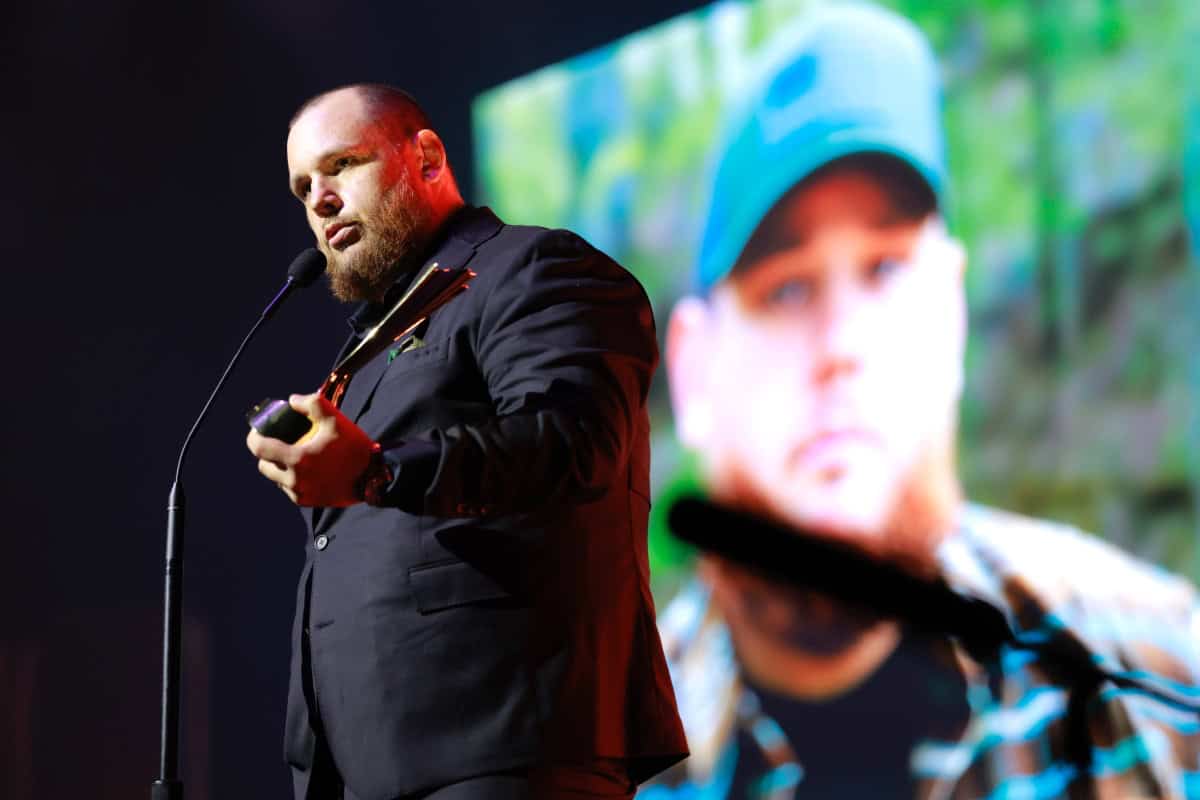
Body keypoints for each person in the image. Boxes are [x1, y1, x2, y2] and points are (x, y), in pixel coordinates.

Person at [644, 5, 1200, 798]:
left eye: (886, 270)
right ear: (696, 373)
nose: (842, 344)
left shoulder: (1162, 682)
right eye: (787, 286)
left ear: (951, 318)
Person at [246, 83, 687, 800]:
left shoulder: (533, 268)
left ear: (424, 156)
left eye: (342, 165)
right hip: (359, 770)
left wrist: (378, 473)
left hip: (504, 743)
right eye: (303, 187)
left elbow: (571, 440)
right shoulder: (369, 348)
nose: (319, 200)